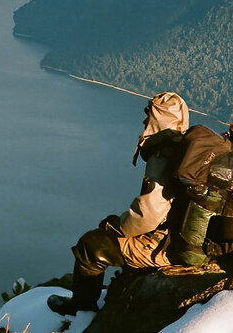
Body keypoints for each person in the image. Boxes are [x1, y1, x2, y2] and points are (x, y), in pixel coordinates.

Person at [47, 91, 191, 316]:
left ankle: (82, 311)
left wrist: (117, 227)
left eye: (149, 116)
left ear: (159, 120)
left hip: (175, 248)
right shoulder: (191, 150)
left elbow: (148, 216)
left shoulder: (165, 155)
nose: (145, 121)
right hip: (194, 238)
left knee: (92, 246)